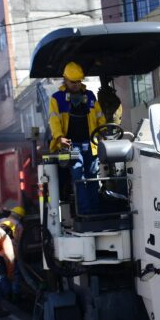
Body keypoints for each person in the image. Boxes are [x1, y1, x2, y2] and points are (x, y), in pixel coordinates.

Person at [48, 61, 108, 215]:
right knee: (78, 175)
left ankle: (95, 210)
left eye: (78, 81)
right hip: (71, 145)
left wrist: (103, 133)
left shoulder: (89, 96)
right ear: (65, 79)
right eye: (72, 82)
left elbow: (100, 117)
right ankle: (85, 212)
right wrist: (59, 137)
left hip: (90, 143)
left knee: (92, 175)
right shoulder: (57, 99)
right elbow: (54, 120)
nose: (75, 85)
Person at [0, 205, 25, 297]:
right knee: (16, 274)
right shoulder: (19, 225)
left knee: (2, 273)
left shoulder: (0, 221)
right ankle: (16, 294)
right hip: (11, 253)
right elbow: (20, 242)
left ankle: (7, 293)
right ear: (20, 217)